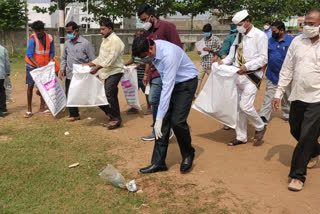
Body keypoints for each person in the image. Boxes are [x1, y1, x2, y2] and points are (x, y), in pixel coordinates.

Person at [132, 37, 198, 174]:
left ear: (150, 49)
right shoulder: (154, 52)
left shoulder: (169, 55)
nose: (145, 61)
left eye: (145, 57)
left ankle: (188, 154)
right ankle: (158, 162)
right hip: (171, 82)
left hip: (186, 83)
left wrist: (159, 117)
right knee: (162, 125)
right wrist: (160, 119)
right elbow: (166, 84)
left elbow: (167, 89)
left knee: (177, 121)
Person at [272, 9, 320, 192]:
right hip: (298, 96)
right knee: (295, 129)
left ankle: (297, 176)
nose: (307, 26)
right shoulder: (297, 42)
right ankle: (315, 150)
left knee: (307, 134)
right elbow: (287, 69)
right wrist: (278, 93)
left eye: (311, 23)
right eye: (305, 23)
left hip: (317, 99)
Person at [218, 10, 268, 146]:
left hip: (252, 75)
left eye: (239, 24)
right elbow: (232, 55)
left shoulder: (260, 35)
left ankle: (260, 126)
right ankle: (241, 137)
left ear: (247, 21)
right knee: (238, 108)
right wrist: (223, 62)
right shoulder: (239, 36)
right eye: (236, 25)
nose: (237, 27)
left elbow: (263, 58)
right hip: (237, 74)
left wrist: (247, 66)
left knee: (245, 106)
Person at [138, 4, 182, 141]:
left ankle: (163, 128)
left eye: (145, 19)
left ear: (152, 16)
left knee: (156, 99)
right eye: (141, 20)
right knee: (157, 100)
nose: (143, 23)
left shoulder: (167, 27)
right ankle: (164, 128)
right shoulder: (147, 33)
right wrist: (146, 73)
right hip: (154, 71)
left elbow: (177, 48)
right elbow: (149, 55)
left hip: (166, 70)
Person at [85, 18, 124, 130]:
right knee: (106, 94)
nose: (101, 31)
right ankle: (112, 114)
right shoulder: (105, 40)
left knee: (108, 93)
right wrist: (90, 64)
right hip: (107, 72)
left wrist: (97, 67)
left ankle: (116, 118)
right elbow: (102, 57)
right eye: (100, 29)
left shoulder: (116, 41)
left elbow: (111, 60)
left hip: (115, 71)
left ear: (110, 29)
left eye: (103, 29)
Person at [59, 21, 95, 122]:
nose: (68, 34)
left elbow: (93, 60)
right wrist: (62, 69)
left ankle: (108, 110)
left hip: (83, 75)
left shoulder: (85, 43)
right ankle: (74, 114)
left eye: (70, 32)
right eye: (67, 32)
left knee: (90, 94)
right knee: (69, 94)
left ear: (76, 31)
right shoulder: (67, 43)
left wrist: (93, 72)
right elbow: (64, 58)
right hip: (71, 75)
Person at [259, 21, 294, 124]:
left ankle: (288, 114)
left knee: (286, 96)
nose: (272, 33)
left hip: (286, 75)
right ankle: (263, 117)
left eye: (274, 31)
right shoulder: (270, 41)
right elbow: (265, 58)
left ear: (282, 30)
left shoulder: (292, 41)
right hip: (272, 74)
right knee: (269, 96)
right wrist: (262, 71)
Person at [24, 20, 55, 118]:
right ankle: (29, 110)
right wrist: (37, 66)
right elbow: (29, 55)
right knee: (30, 86)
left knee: (44, 87)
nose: (36, 33)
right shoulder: (33, 39)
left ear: (43, 30)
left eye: (38, 31)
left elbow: (52, 52)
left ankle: (42, 108)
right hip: (32, 66)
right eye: (35, 31)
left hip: (44, 66)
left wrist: (50, 61)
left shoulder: (50, 38)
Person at [124, 30, 152, 115]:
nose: (137, 38)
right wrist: (125, 64)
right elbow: (133, 59)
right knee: (133, 91)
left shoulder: (146, 48)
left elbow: (148, 62)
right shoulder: (135, 49)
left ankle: (149, 108)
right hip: (135, 76)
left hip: (143, 76)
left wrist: (145, 74)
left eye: (139, 36)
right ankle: (134, 107)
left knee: (147, 93)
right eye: (136, 36)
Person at [195, 23, 221, 98]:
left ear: (210, 31)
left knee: (213, 81)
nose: (205, 34)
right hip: (203, 63)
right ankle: (195, 94)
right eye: (204, 32)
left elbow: (220, 50)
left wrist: (210, 50)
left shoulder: (216, 39)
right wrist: (199, 52)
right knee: (198, 78)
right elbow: (201, 52)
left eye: (207, 32)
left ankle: (214, 96)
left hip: (211, 63)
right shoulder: (202, 40)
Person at [0, 45, 10, 118]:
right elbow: (7, 62)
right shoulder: (3, 49)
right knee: (1, 90)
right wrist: (7, 71)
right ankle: (3, 109)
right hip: (1, 74)